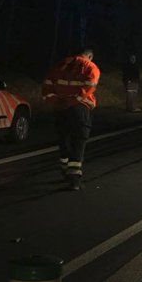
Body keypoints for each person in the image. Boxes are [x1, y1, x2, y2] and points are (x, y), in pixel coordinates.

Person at [42, 47, 100, 191]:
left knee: (63, 138)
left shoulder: (59, 65)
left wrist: (55, 101)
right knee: (78, 140)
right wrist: (74, 100)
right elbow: (89, 86)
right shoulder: (90, 66)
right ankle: (74, 178)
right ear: (90, 56)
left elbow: (47, 86)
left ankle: (64, 169)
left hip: (60, 108)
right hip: (79, 108)